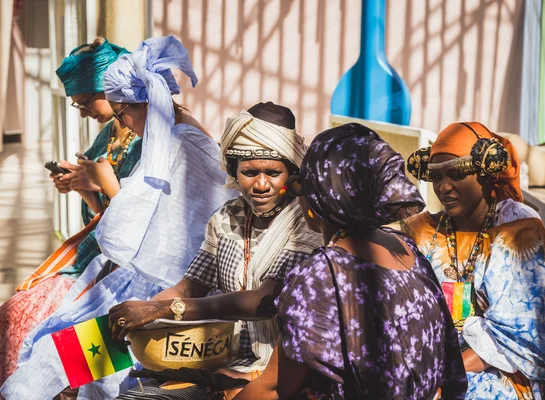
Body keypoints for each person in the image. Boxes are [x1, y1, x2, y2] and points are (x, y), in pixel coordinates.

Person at [0, 36, 234, 400]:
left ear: (144, 104)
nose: (121, 121)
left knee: (78, 364)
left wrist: (107, 184)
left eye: (122, 113)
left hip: (171, 288)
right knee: (64, 358)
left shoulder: (182, 144)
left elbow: (197, 224)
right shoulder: (169, 137)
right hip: (146, 279)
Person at [234, 123, 467, 399]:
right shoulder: (409, 252)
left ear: (317, 201)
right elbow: (451, 371)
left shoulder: (324, 273)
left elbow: (275, 386)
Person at [110, 101, 322, 400]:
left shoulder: (306, 223)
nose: (261, 184)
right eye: (250, 172)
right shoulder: (226, 217)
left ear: (291, 173)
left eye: (273, 173)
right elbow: (189, 288)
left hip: (283, 379)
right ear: (234, 172)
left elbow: (266, 300)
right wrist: (141, 315)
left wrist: (166, 309)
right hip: (223, 366)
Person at [406, 121, 545, 399]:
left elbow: (515, 335)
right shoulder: (424, 232)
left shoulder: (519, 231)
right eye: (436, 177)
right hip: (438, 356)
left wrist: (443, 378)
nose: (443, 187)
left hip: (506, 363)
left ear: (486, 173)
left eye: (455, 175)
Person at [0, 37, 140, 385]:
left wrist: (101, 182)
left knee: (46, 339)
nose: (82, 112)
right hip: (99, 252)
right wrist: (83, 186)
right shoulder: (110, 134)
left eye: (85, 102)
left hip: (127, 267)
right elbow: (104, 212)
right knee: (14, 318)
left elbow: (143, 222)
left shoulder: (153, 140)